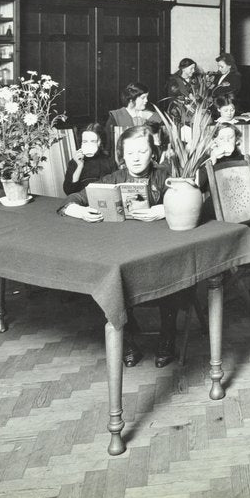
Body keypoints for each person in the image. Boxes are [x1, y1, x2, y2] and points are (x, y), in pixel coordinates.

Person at [60, 125, 179, 368]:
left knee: (172, 276)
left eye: (142, 152)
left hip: (160, 249)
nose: (136, 158)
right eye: (130, 153)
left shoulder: (165, 175)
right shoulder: (113, 179)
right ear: (121, 155)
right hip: (124, 250)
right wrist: (80, 211)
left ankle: (168, 337)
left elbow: (188, 201)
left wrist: (164, 209)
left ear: (153, 153)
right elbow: (72, 199)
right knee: (106, 279)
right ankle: (128, 341)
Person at [63, 123, 117, 195]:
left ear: (100, 142)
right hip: (80, 199)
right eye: (85, 141)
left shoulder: (109, 162)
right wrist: (79, 166)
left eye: (93, 141)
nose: (89, 145)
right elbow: (68, 191)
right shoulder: (75, 162)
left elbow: (115, 190)